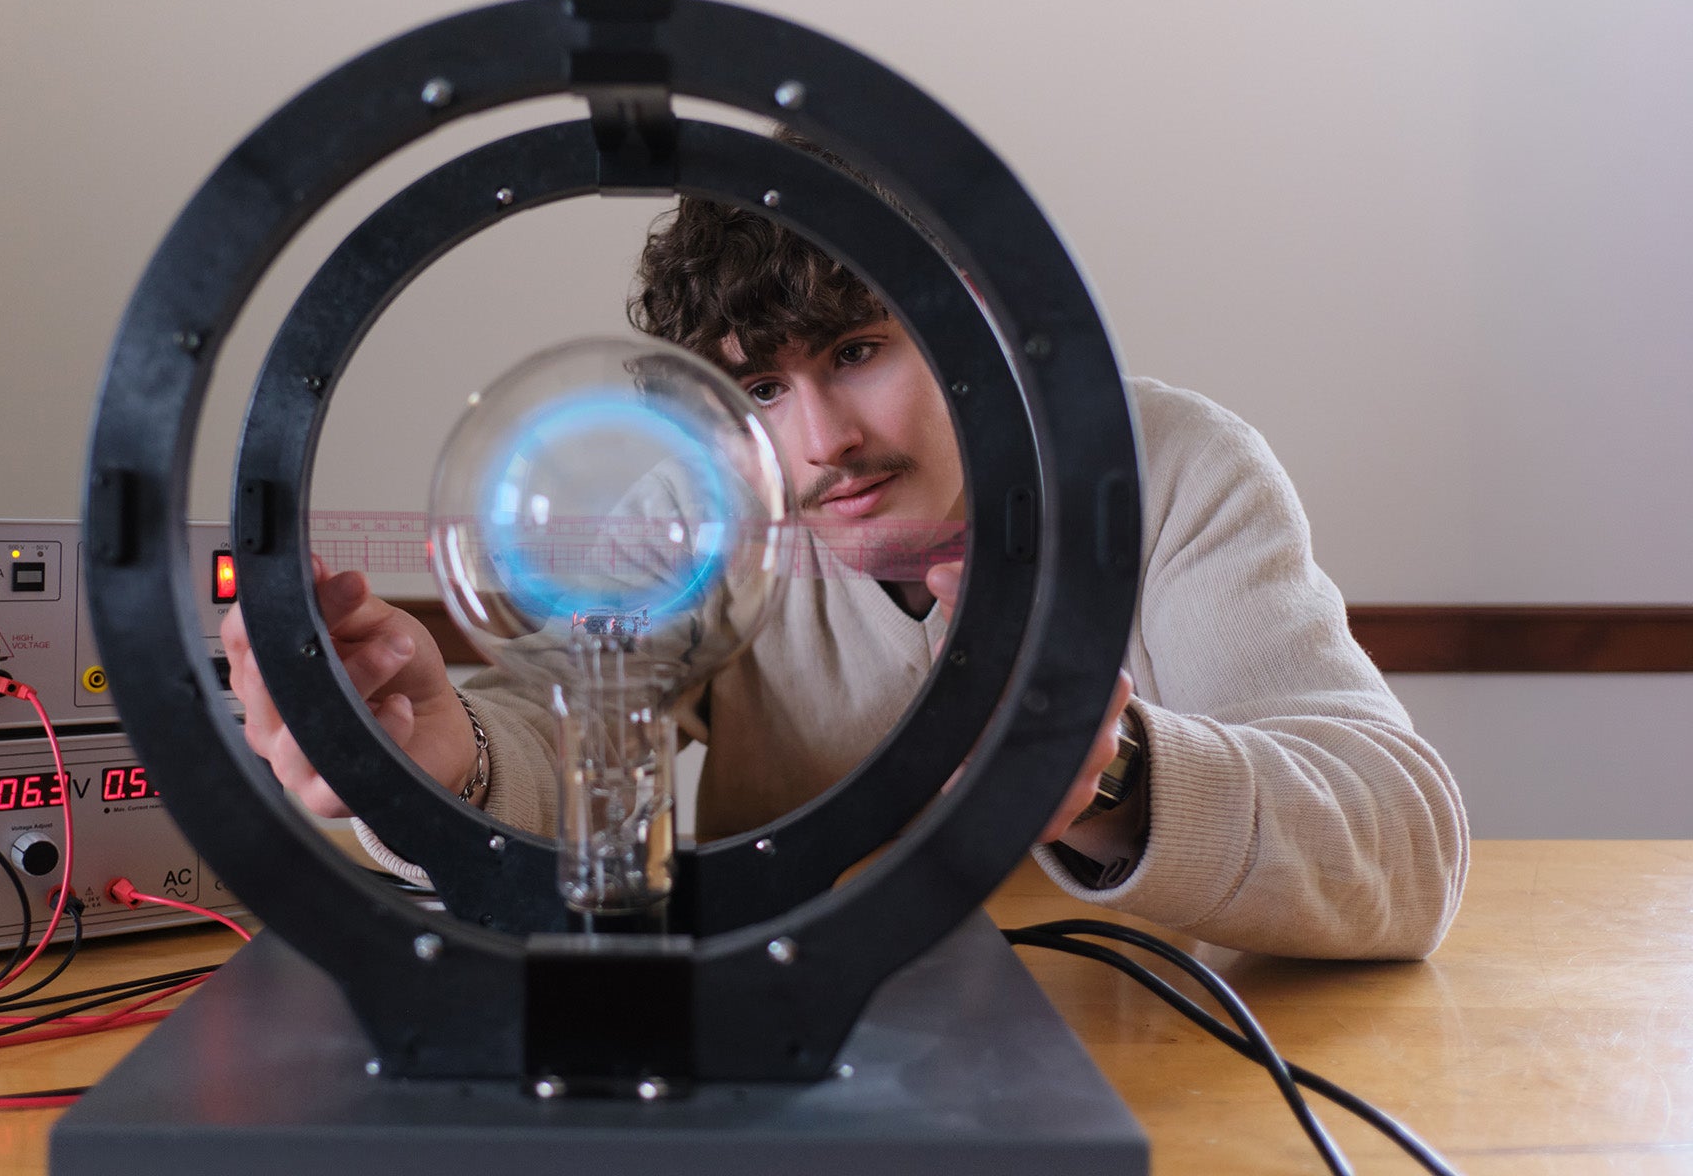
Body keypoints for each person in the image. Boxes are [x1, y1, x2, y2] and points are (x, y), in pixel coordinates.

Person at [223, 184, 1469, 962]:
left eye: (859, 351)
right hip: (791, 1068)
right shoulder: (700, 514)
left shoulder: (1166, 470)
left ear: (976, 323)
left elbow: (1407, 855)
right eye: (762, 387)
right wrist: (447, 764)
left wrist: (1112, 775)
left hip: (1141, 1069)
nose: (821, 441)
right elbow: (563, 741)